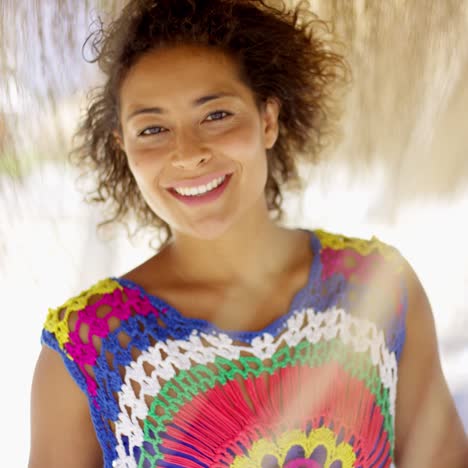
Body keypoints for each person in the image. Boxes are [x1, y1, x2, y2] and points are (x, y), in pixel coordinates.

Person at [29, 1, 467, 467]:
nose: (187, 153)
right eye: (152, 128)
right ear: (124, 148)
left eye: (215, 115)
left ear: (267, 120)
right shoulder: (87, 351)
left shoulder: (379, 287)